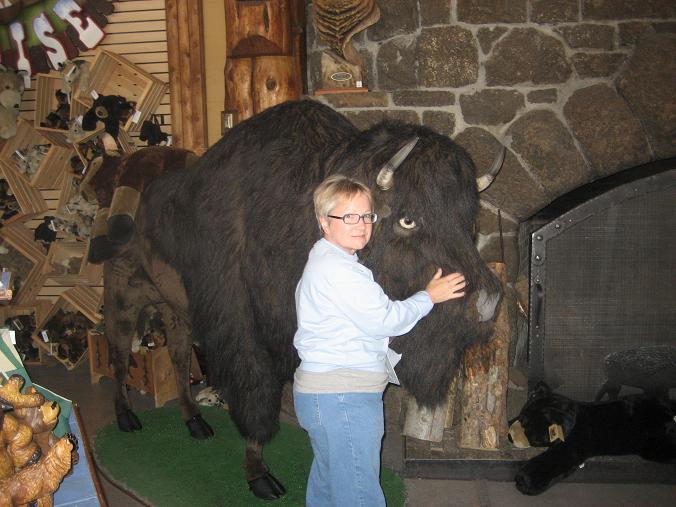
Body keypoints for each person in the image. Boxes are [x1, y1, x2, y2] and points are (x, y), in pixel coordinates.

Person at [293, 174, 467, 507]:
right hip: (342, 397)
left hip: (324, 393)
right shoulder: (340, 271)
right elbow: (386, 320)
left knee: (330, 482)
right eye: (348, 216)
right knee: (358, 493)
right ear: (324, 221)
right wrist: (429, 296)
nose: (361, 225)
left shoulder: (327, 260)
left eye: (366, 215)